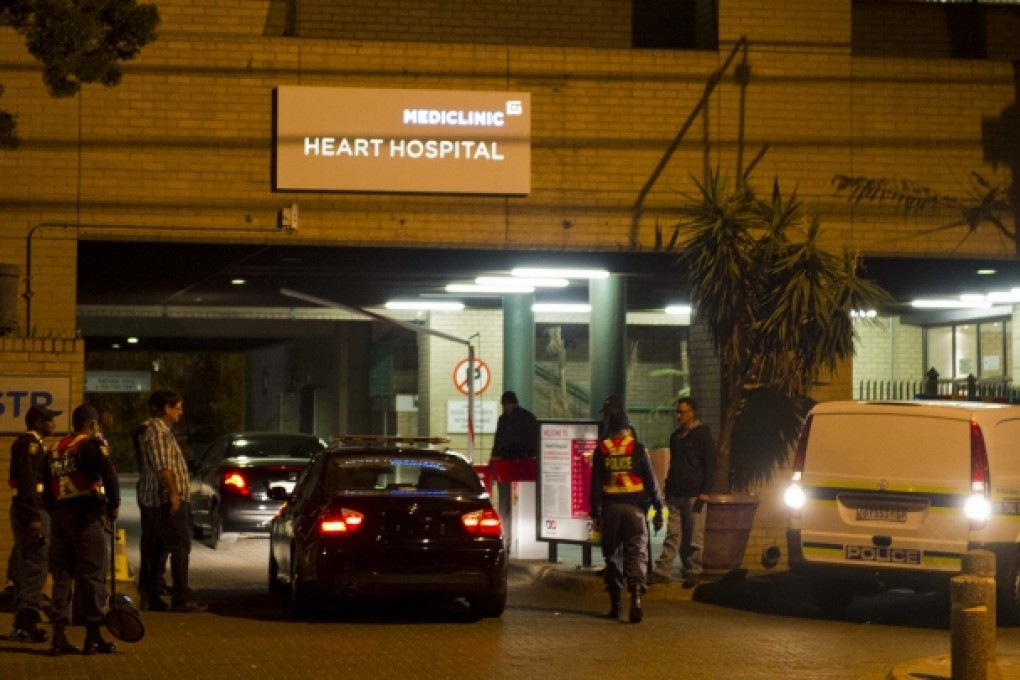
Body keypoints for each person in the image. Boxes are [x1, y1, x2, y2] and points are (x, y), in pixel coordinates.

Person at [44, 403, 120, 655]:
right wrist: (113, 506)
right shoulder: (91, 445)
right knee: (92, 575)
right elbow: (109, 477)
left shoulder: (56, 448)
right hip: (86, 516)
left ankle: (58, 635)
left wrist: (53, 511)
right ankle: (93, 635)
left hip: (59, 516)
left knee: (62, 575)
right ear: (91, 424)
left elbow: (45, 484)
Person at [589, 411, 663, 623]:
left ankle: (616, 605)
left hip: (611, 510)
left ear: (610, 430)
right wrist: (658, 508)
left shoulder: (602, 451)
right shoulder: (637, 449)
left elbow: (595, 486)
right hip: (636, 512)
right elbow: (651, 480)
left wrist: (595, 512)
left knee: (613, 556)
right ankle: (636, 599)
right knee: (637, 554)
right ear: (628, 429)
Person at [136, 390, 206, 613]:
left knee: (154, 549)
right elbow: (163, 468)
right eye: (178, 407)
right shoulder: (158, 432)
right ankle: (181, 597)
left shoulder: (160, 432)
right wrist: (174, 494)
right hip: (163, 500)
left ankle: (151, 595)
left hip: (156, 499)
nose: (181, 412)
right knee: (179, 546)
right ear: (166, 408)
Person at [649, 397, 717, 588]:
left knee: (695, 536)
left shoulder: (702, 435)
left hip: (694, 494)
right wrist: (668, 488)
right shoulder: (676, 437)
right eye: (677, 412)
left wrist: (705, 491)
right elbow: (674, 465)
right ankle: (663, 570)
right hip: (676, 493)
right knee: (673, 534)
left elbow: (710, 464)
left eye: (683, 412)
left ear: (692, 412)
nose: (679, 416)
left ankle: (693, 571)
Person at [7, 405, 60, 643]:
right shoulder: (30, 444)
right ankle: (26, 624)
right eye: (50, 420)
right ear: (38, 423)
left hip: (31, 508)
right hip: (33, 509)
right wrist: (34, 517)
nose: (53, 424)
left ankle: (23, 621)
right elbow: (27, 482)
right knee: (35, 565)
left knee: (27, 563)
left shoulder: (33, 444)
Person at [488, 390, 539, 550]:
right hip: (522, 467)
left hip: (508, 467)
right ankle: (512, 540)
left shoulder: (509, 420)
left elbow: (498, 444)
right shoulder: (528, 418)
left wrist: (494, 461)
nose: (506, 408)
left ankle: (509, 540)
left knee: (506, 504)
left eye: (507, 405)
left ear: (512, 404)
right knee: (517, 504)